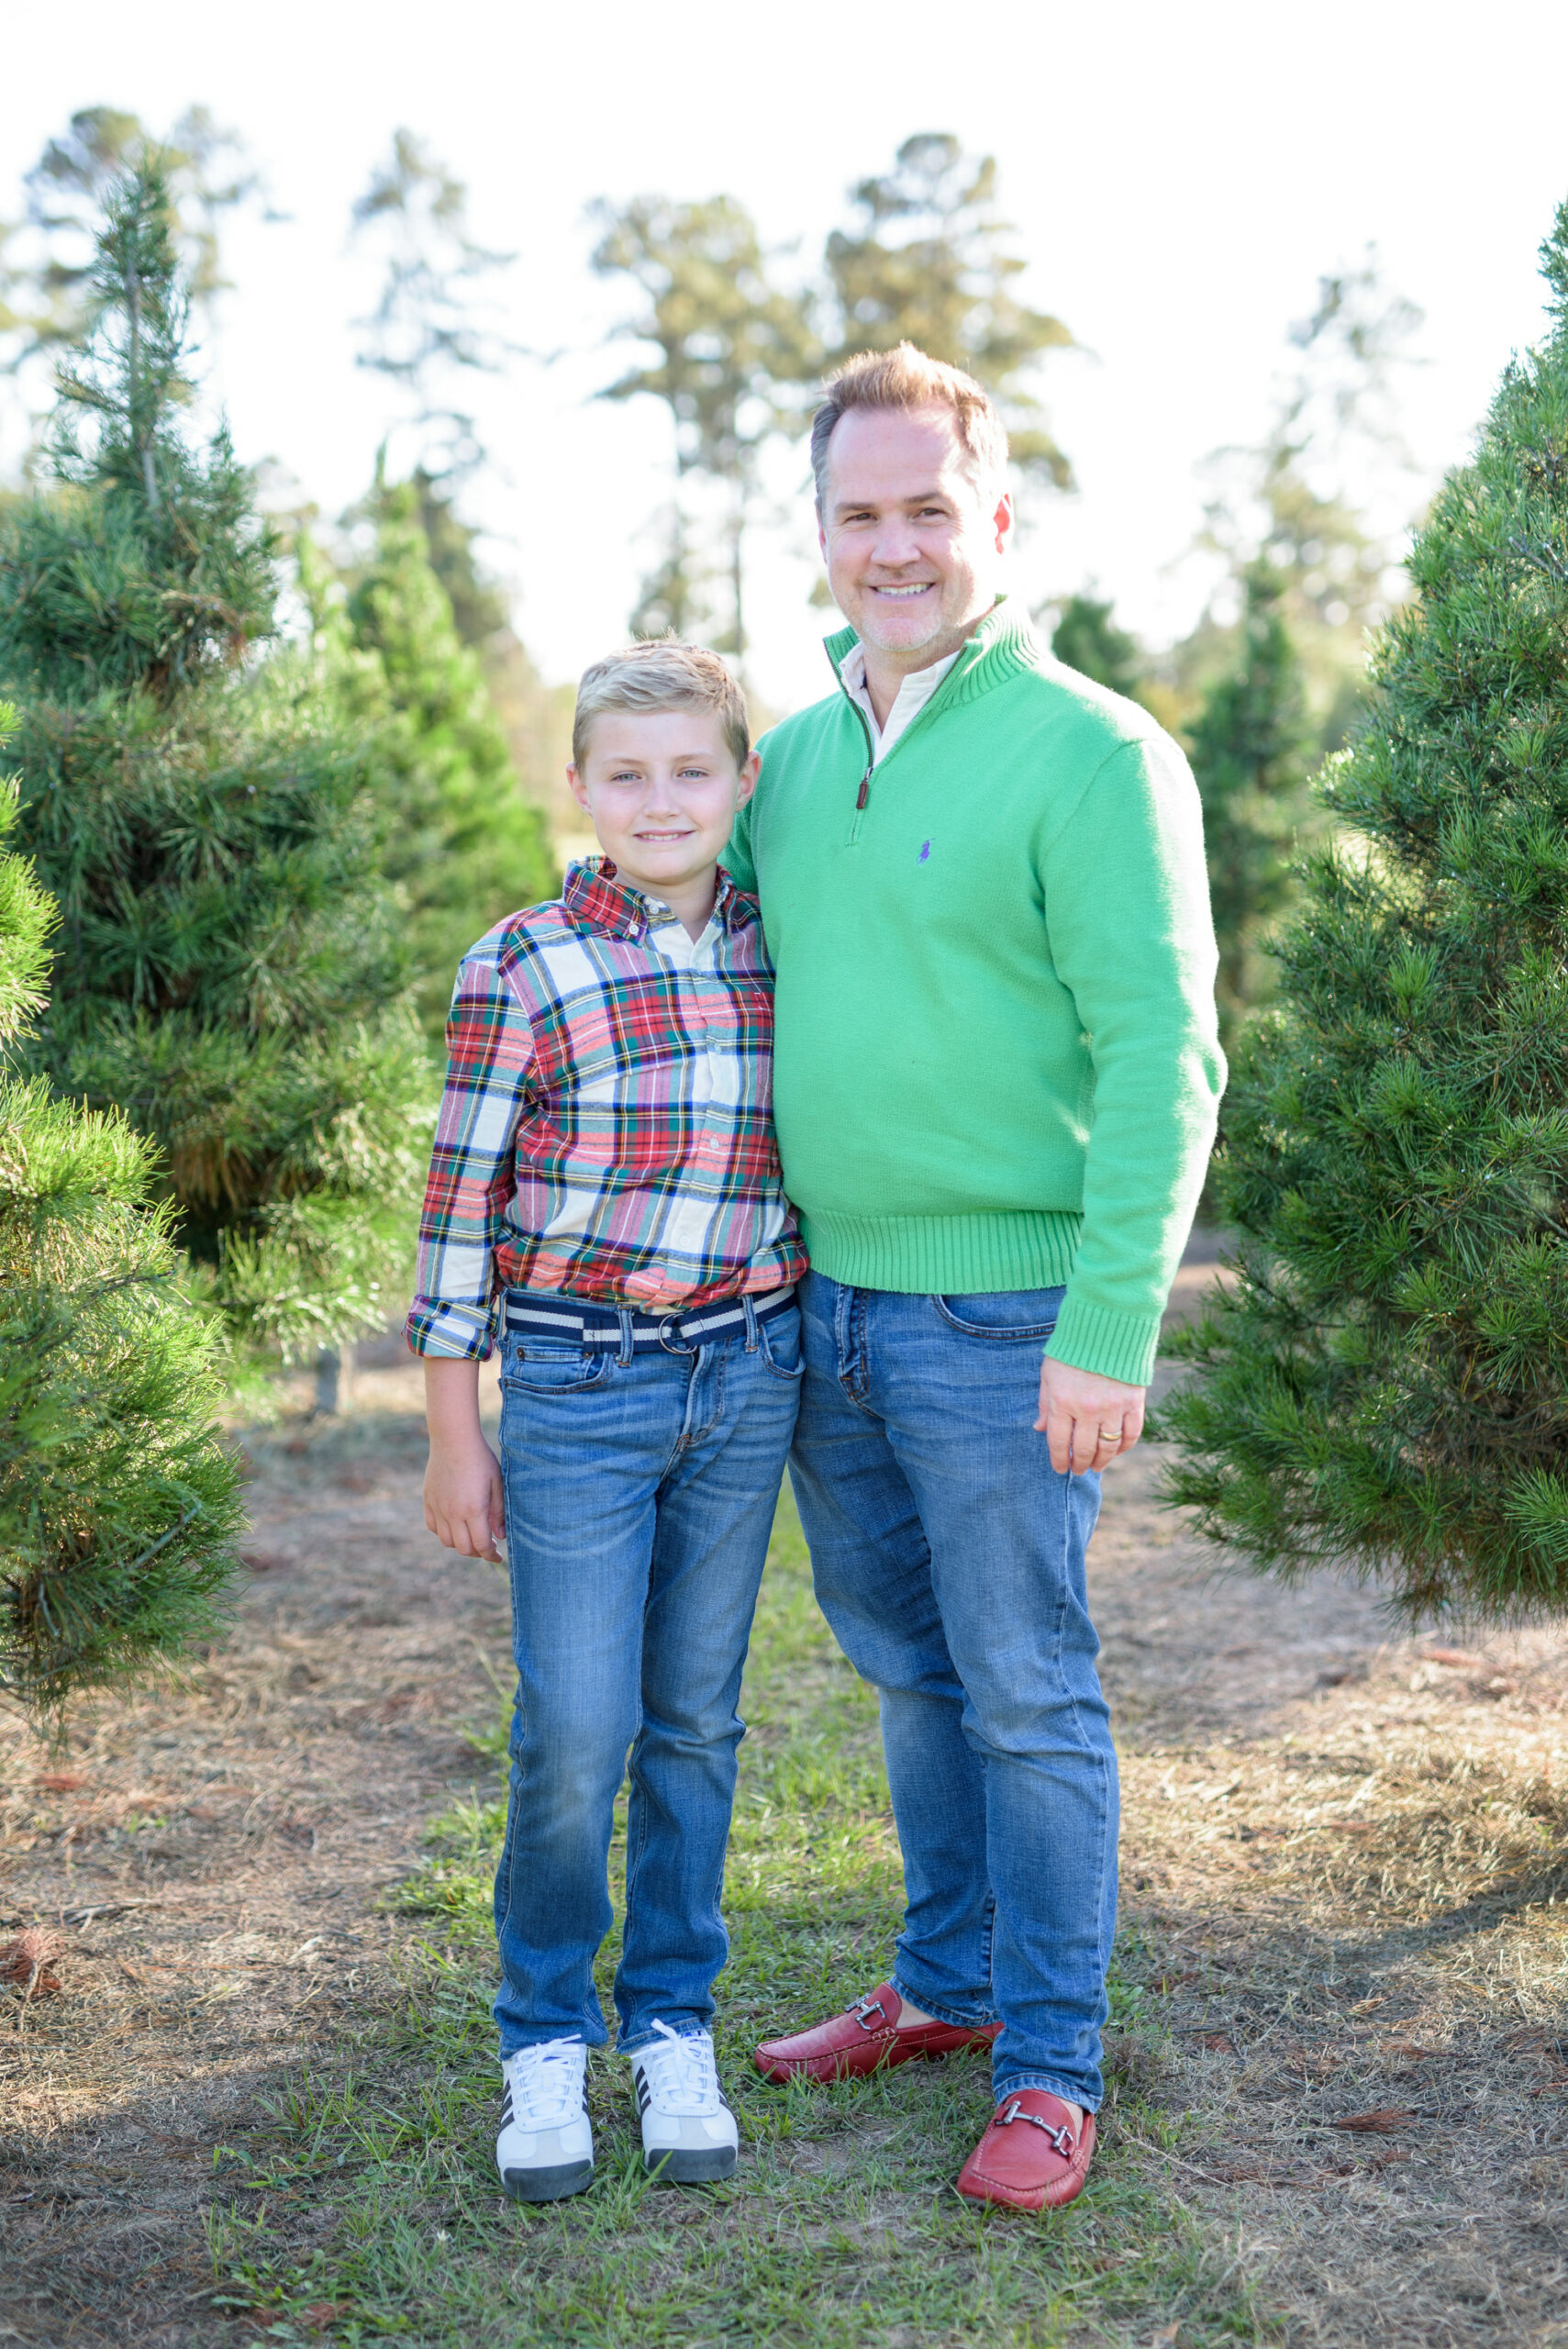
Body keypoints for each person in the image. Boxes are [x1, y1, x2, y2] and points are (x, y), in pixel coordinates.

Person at [726, 345, 1224, 2212]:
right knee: (907, 1674)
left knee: (1025, 1687)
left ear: (995, 517)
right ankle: (941, 1980)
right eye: (859, 513)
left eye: (928, 505)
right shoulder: (784, 759)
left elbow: (1165, 1051)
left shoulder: (1095, 751)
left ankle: (1052, 2063)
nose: (894, 543)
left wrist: (1109, 1327)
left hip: (1007, 1321)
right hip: (826, 1313)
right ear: (824, 536)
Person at [406, 640, 806, 2202]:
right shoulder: (522, 962)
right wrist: (455, 1429)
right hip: (578, 1379)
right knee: (578, 1728)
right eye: (624, 772)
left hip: (749, 1368)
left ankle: (672, 2020)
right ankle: (544, 2035)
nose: (660, 800)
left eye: (691, 769)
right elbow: (457, 1214)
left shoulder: (782, 951)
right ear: (576, 784)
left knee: (695, 1719)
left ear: (740, 781)